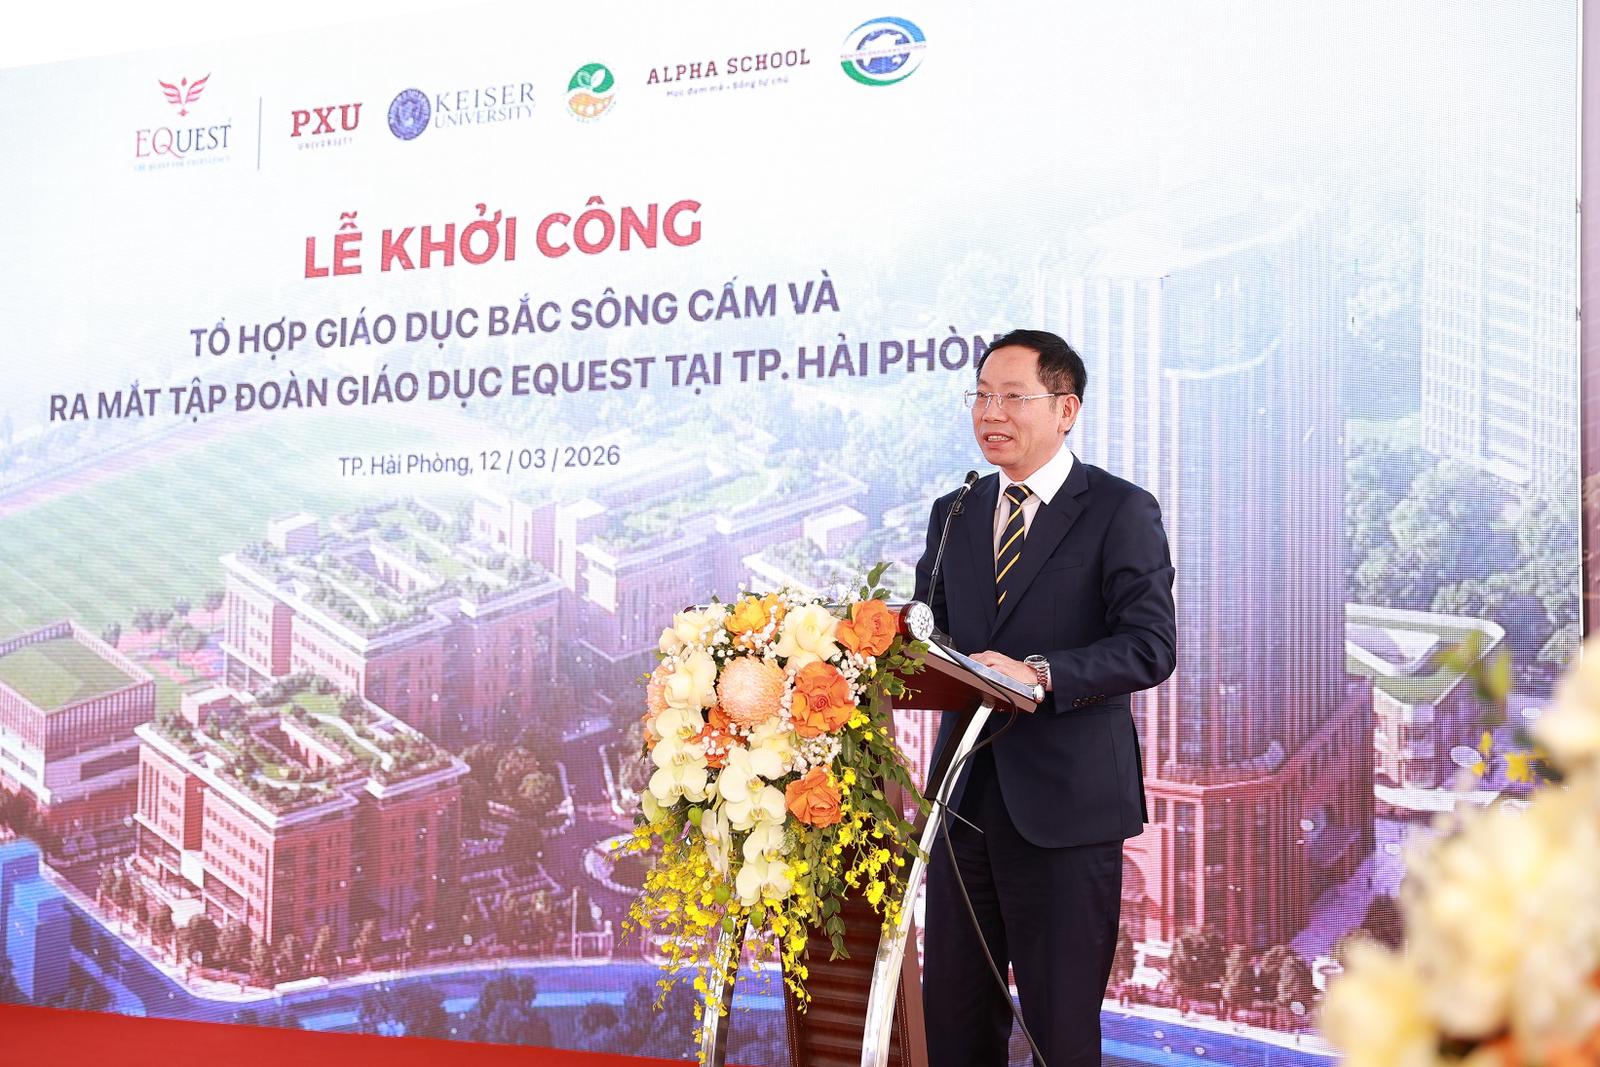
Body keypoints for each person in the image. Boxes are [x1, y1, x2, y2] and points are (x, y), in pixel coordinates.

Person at [912, 329, 1177, 1067]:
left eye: (1012, 397)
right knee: (954, 1026)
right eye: (981, 396)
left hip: (1067, 810)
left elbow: (1150, 645)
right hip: (964, 804)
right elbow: (926, 635)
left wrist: (1039, 673)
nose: (990, 412)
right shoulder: (956, 511)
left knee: (1060, 1035)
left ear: (1066, 409)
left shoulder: (1120, 510)